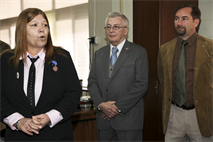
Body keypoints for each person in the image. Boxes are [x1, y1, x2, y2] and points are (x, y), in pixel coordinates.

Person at [0, 8, 82, 142]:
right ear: (22, 30)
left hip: (56, 135)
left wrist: (51, 116)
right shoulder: (6, 60)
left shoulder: (62, 57)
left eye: (45, 25)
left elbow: (73, 93)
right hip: (18, 137)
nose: (42, 29)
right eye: (34, 25)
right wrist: (17, 121)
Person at [88, 12, 149, 142]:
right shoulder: (99, 54)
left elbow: (141, 84)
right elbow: (92, 82)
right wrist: (100, 104)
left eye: (116, 27)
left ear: (125, 30)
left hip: (129, 120)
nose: (111, 30)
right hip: (104, 121)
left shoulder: (138, 52)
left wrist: (117, 107)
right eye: (108, 27)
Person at [158, 4, 213, 142]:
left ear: (196, 22)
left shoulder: (210, 47)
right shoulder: (164, 49)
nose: (179, 23)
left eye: (184, 18)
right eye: (176, 19)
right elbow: (163, 78)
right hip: (174, 114)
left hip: (200, 116)